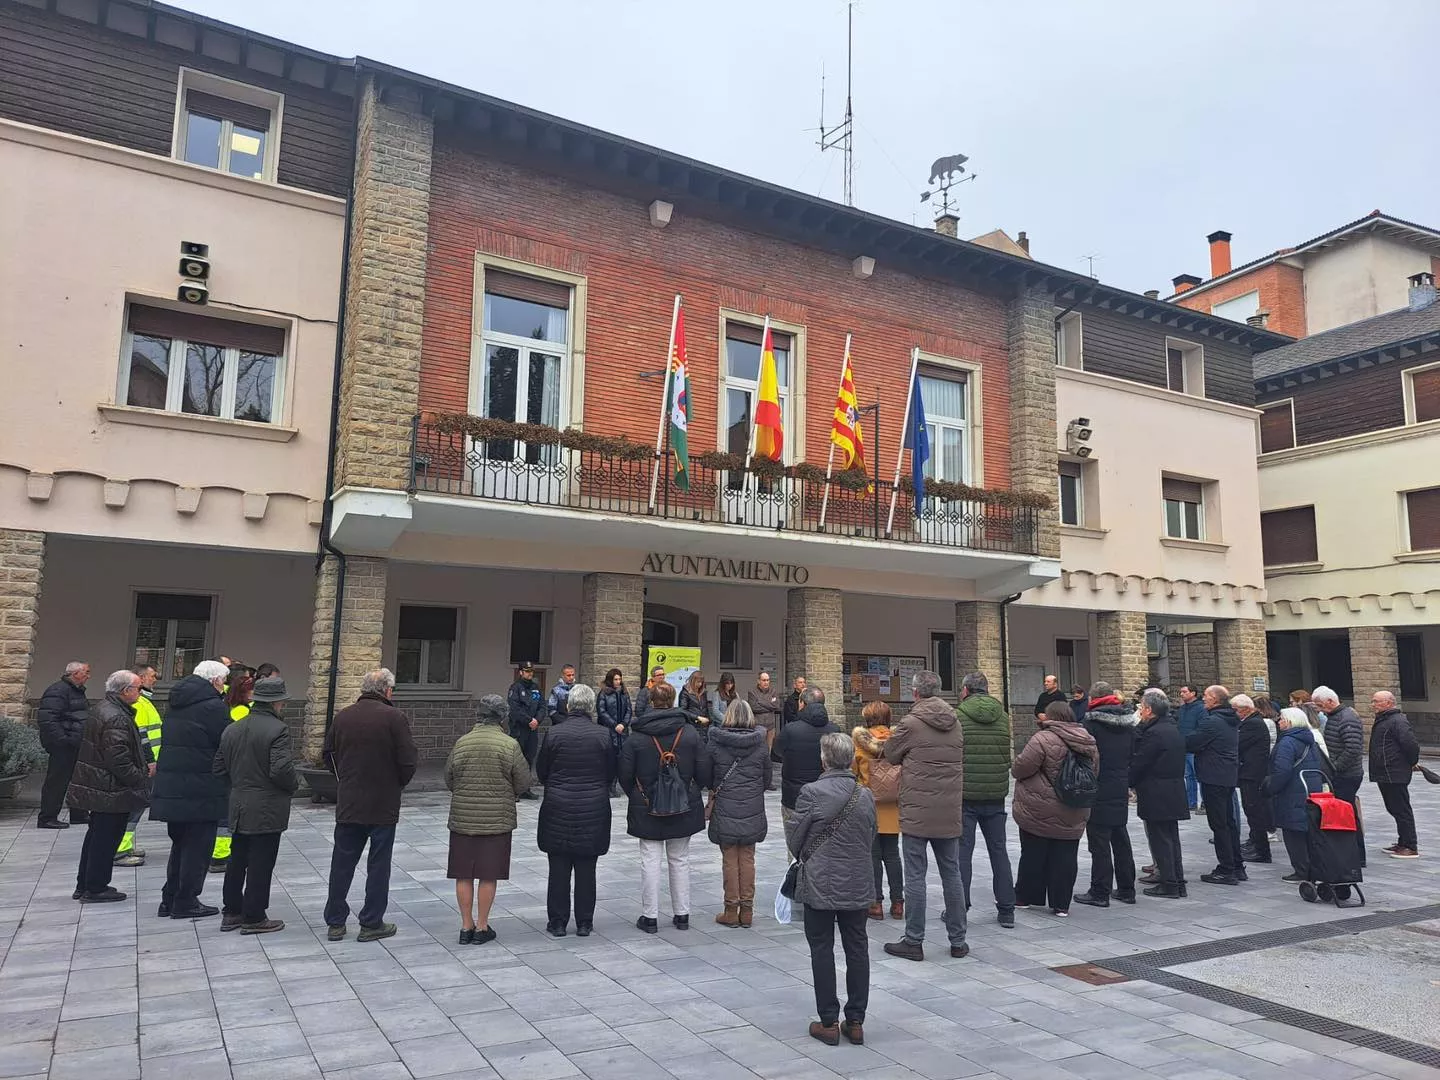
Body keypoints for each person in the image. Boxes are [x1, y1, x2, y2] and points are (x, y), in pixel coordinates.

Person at [786, 732, 876, 1048]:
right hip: (856, 879)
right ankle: (856, 1020)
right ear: (851, 760)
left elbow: (795, 841)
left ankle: (828, 1020)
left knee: (822, 948)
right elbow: (870, 836)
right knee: (857, 947)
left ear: (823, 760)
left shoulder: (811, 793)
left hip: (820, 881)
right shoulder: (864, 795)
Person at [324, 668, 418, 943]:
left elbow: (327, 754)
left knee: (342, 862)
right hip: (383, 802)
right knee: (379, 864)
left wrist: (343, 777)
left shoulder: (343, 716)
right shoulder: (394, 718)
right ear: (387, 691)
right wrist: (397, 783)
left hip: (350, 800)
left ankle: (336, 921)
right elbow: (408, 760)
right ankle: (371, 921)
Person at [881, 670, 968, 960]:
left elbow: (891, 753)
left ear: (915, 693)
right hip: (949, 809)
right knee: (951, 874)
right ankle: (958, 940)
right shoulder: (956, 723)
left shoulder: (911, 723)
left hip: (918, 810)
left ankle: (914, 940)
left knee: (915, 876)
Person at [619, 681, 713, 933]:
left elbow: (624, 774)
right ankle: (682, 914)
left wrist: (637, 795)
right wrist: (692, 789)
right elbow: (704, 771)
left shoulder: (637, 736)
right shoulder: (690, 733)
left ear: (651, 701)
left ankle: (649, 916)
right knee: (680, 859)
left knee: (649, 861)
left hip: (646, 803)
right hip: (683, 803)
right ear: (672, 701)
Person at [213, 676, 298, 934]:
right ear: (278, 703)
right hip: (267, 805)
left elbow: (218, 767)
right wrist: (292, 785)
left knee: (237, 859)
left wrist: (239, 783)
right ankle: (254, 916)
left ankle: (231, 911)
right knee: (261, 861)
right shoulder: (277, 729)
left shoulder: (233, 728)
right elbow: (281, 769)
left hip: (238, 802)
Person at [150, 660, 231, 919]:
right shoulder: (212, 707)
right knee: (198, 848)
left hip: (175, 787)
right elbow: (226, 741)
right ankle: (186, 900)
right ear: (215, 681)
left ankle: (170, 897)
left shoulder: (179, 702)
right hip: (201, 787)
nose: (224, 687)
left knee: (181, 844)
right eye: (223, 681)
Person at [447, 693, 530, 944]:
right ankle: (482, 927)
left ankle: (465, 926)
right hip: (497, 819)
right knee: (488, 874)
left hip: (463, 818)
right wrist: (510, 793)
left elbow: (449, 777)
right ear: (503, 717)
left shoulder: (462, 742)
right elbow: (523, 780)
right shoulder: (509, 745)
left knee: (463, 873)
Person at [537, 684, 613, 937]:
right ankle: (584, 922)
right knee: (586, 868)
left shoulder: (554, 734)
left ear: (568, 705)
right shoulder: (603, 735)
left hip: (558, 807)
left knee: (557, 867)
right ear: (591, 707)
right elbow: (610, 773)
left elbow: (542, 771)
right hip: (592, 808)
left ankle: (557, 922)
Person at [66, 670, 149, 904]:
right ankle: (96, 886)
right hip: (110, 789)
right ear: (125, 691)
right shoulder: (117, 717)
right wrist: (139, 778)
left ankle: (85, 883)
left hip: (101, 786)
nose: (140, 693)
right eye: (137, 688)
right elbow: (118, 758)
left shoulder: (103, 709)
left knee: (96, 836)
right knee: (106, 839)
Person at [1011, 700, 1097, 917]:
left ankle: (1025, 896)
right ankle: (1061, 904)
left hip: (1040, 807)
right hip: (1074, 806)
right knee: (1066, 855)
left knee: (1033, 852)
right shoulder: (1088, 740)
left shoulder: (1042, 738)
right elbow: (1094, 772)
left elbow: (1021, 767)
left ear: (1050, 717)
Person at [954, 672, 1016, 928]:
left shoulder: (958, 716)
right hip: (995, 794)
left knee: (963, 853)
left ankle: (960, 907)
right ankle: (1007, 909)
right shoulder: (1003, 717)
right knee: (999, 851)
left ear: (966, 690)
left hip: (966, 793)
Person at [1074, 681, 1138, 908]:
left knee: (1099, 842)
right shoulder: (1128, 723)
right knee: (1121, 838)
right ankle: (1127, 889)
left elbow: (1084, 755)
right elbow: (1132, 753)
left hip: (1098, 787)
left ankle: (1100, 891)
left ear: (1093, 699)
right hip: (1119, 785)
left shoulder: (1091, 724)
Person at [707, 698, 771, 927]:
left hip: (725, 805)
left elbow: (707, 776)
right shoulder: (761, 743)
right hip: (752, 805)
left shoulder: (715, 742)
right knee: (748, 857)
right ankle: (747, 911)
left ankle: (730, 910)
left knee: (729, 858)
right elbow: (767, 779)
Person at [1131, 689, 1189, 897]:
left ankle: (1169, 883)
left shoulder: (1154, 733)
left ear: (1149, 710)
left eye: (1142, 708)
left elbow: (1141, 761)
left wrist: (1129, 782)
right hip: (1171, 789)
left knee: (1161, 839)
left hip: (1157, 791)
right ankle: (1177, 881)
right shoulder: (1171, 728)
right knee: (1171, 838)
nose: (1140, 712)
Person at [1267, 706, 1332, 882]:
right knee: (1308, 831)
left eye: (1281, 719)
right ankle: (1313, 867)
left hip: (1292, 791)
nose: (1278, 721)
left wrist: (1270, 787)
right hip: (1310, 789)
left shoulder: (1287, 742)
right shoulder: (1309, 739)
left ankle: (1301, 870)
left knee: (1293, 832)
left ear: (1289, 722)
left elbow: (1282, 771)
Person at [1188, 685, 1244, 886]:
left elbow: (1192, 743)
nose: (1203, 699)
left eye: (1206, 696)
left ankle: (1226, 869)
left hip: (1213, 775)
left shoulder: (1212, 722)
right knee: (1229, 823)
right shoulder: (1230, 719)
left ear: (1215, 700)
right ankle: (1237, 865)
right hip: (1226, 774)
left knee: (1219, 824)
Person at [852, 701, 902, 922]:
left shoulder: (860, 741)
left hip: (869, 803)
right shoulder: (897, 739)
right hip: (893, 804)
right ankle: (898, 903)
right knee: (892, 855)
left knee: (872, 855)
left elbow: (854, 769)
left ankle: (876, 903)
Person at [777, 687, 840, 848]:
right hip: (828, 796)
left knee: (795, 848)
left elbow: (776, 753)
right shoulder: (835, 730)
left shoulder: (791, 730)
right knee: (824, 847)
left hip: (795, 797)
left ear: (802, 704)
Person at [114, 664, 162, 866]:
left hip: (146, 763)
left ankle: (124, 845)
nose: (155, 680)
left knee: (136, 807)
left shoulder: (144, 702)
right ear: (140, 679)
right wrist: (149, 761)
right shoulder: (139, 704)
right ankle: (120, 849)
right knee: (133, 807)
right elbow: (140, 736)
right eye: (152, 676)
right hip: (143, 764)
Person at [36, 661, 91, 829]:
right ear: (75, 674)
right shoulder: (58, 691)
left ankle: (79, 813)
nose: (88, 676)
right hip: (64, 745)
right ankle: (47, 817)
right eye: (86, 673)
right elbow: (48, 720)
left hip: (75, 743)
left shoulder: (76, 691)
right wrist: (63, 740)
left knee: (79, 779)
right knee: (57, 781)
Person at [211, 673, 256, 874]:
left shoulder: (232, 708)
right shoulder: (240, 712)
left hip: (231, 767)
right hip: (237, 769)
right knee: (228, 814)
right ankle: (220, 856)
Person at [1369, 691, 1420, 858]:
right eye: (1373, 701)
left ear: (1389, 703)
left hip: (1395, 771)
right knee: (1394, 808)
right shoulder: (1385, 719)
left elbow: (1410, 744)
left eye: (1377, 701)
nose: (1373, 704)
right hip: (1385, 771)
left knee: (1401, 809)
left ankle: (1410, 846)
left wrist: (1412, 762)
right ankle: (1402, 841)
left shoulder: (1397, 720)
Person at [1235, 694, 1275, 864]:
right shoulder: (1251, 722)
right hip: (1250, 773)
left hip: (1253, 774)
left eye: (1236, 710)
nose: (1234, 714)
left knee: (1255, 811)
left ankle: (1261, 850)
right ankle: (1255, 842)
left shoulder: (1253, 724)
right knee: (1251, 810)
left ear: (1245, 710)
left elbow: (1238, 743)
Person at [1311, 686, 1364, 811]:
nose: (1319, 709)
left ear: (1330, 701)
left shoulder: (1346, 718)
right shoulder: (1334, 716)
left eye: (1320, 705)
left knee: (1345, 811)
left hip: (1347, 774)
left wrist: (1334, 767)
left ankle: (1353, 831)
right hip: (1342, 773)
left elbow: (1353, 749)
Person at [507, 663, 545, 798]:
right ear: (521, 672)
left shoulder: (535, 688)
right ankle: (515, 790)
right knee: (517, 760)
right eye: (527, 671)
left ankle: (525, 789)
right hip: (519, 729)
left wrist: (537, 720)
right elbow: (514, 709)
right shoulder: (515, 688)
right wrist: (529, 720)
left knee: (529, 758)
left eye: (531, 671)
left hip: (532, 730)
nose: (530, 674)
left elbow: (542, 707)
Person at [597, 668, 632, 797]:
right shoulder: (603, 693)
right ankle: (607, 785)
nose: (618, 682)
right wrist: (614, 724)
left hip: (622, 732)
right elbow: (602, 711)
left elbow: (629, 710)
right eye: (616, 679)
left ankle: (614, 785)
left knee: (620, 759)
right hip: (609, 731)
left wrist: (623, 724)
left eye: (619, 679)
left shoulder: (624, 693)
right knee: (608, 759)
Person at [1176, 685, 1206, 812]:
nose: (1181, 694)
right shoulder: (1182, 709)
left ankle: (1205, 802)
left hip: (1195, 747)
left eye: (1184, 692)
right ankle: (1191, 802)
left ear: (1193, 693)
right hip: (1184, 746)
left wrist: (1192, 738)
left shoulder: (1200, 708)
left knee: (1200, 776)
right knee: (1189, 776)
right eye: (1181, 692)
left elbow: (1202, 727)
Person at [746, 671, 782, 765]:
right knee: (757, 748)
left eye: (768, 680)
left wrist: (761, 702)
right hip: (758, 726)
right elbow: (754, 707)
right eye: (764, 680)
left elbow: (776, 706)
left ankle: (766, 766)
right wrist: (769, 705)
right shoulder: (752, 692)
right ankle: (756, 766)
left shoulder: (773, 691)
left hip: (770, 726)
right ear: (759, 681)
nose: (766, 682)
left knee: (768, 749)